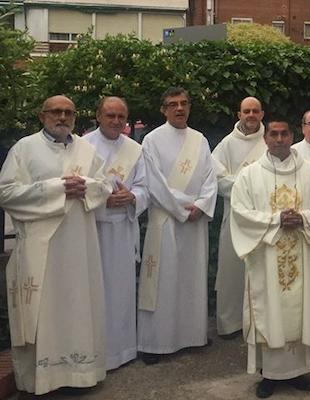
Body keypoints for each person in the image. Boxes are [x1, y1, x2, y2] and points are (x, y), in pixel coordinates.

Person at [0, 95, 112, 394]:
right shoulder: (25, 148)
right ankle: (43, 380)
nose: (62, 117)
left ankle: (80, 375)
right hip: (42, 249)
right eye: (56, 112)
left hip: (80, 248)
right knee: (45, 314)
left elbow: (104, 186)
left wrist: (86, 186)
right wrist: (57, 188)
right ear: (42, 116)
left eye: (68, 112)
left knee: (78, 308)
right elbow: (6, 192)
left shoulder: (86, 150)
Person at [229, 116, 310, 398]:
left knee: (300, 310)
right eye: (273, 134)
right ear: (265, 139)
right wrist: (275, 221)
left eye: (283, 134)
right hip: (265, 258)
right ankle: (270, 374)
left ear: (292, 135)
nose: (278, 139)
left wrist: (303, 219)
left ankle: (299, 371)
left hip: (302, 253)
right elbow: (240, 212)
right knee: (269, 312)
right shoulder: (249, 175)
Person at [138, 87, 218, 365]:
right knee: (162, 281)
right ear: (164, 109)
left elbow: (211, 179)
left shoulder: (200, 140)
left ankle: (192, 336)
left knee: (191, 279)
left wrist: (203, 205)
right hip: (166, 221)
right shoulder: (151, 140)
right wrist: (186, 207)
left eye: (184, 103)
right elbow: (155, 183)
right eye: (173, 104)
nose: (179, 108)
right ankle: (156, 343)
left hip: (194, 223)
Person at [84, 96, 148, 370]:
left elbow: (146, 186)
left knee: (121, 291)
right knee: (94, 292)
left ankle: (122, 351)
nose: (116, 121)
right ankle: (95, 353)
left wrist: (133, 197)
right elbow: (77, 184)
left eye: (121, 116)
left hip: (122, 230)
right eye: (110, 115)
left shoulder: (135, 149)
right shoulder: (83, 146)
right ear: (98, 116)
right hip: (94, 230)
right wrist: (102, 199)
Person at [211, 96, 267, 338]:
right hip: (234, 218)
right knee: (232, 273)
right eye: (247, 111)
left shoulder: (271, 140)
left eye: (255, 111)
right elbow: (217, 179)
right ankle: (231, 322)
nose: (251, 115)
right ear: (239, 114)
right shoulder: (226, 145)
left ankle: (260, 322)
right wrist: (249, 187)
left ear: (262, 114)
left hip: (264, 219)